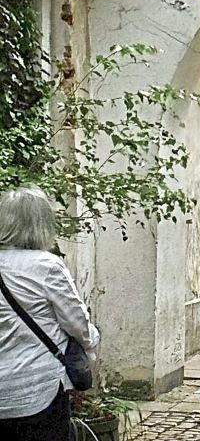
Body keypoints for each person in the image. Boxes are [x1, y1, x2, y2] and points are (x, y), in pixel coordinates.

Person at [0, 186, 99, 441]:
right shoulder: (47, 266)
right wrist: (91, 341)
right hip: (38, 390)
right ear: (43, 223)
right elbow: (76, 323)